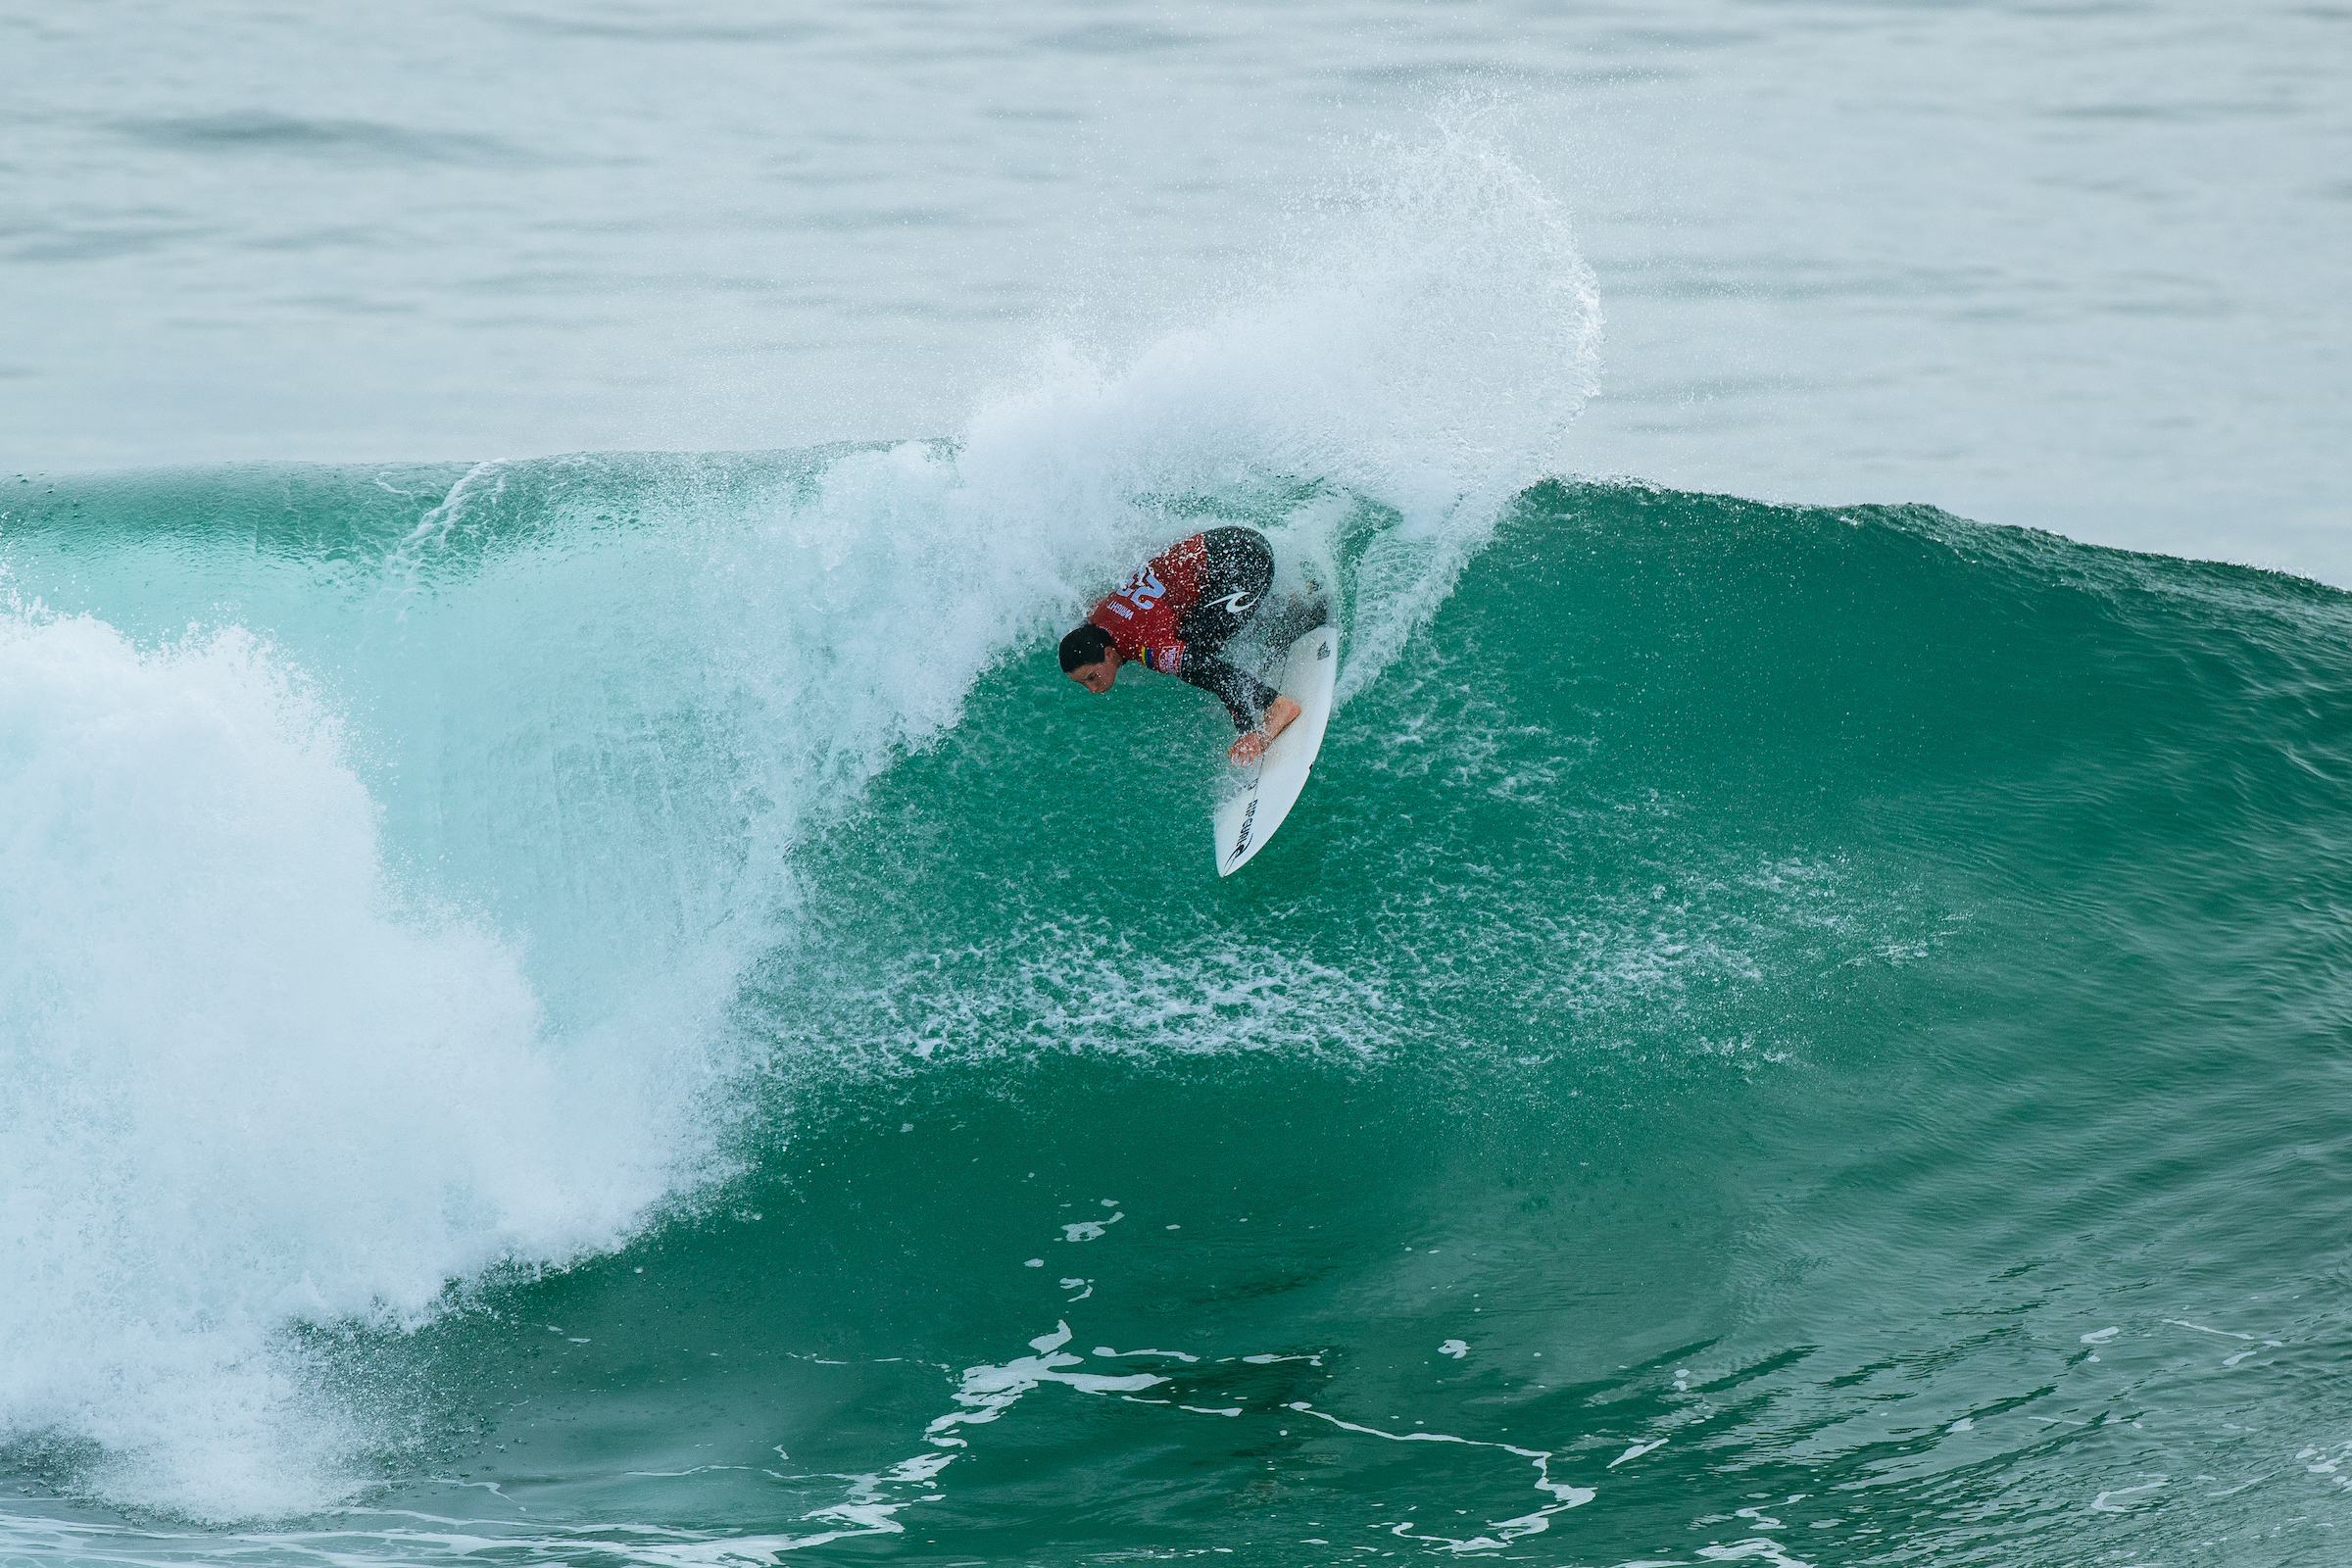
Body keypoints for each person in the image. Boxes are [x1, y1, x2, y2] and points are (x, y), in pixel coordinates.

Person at [1059, 526, 1307, 765]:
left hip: (1248, 563)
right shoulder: (1098, 618)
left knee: (1200, 651)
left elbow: (1213, 674)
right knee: (1186, 631)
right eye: (1083, 682)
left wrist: (1246, 730)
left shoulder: (1146, 645)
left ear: (1109, 653)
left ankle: (1276, 705)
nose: (1092, 688)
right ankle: (1285, 606)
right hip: (1229, 540)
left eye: (1092, 677)